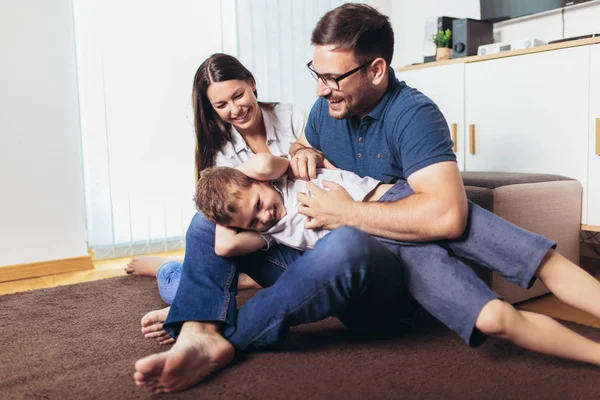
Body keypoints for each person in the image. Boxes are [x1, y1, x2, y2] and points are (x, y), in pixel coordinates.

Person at [134, 4, 600, 394]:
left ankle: (217, 324)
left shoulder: (410, 114)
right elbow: (301, 156)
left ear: (375, 69)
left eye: (332, 77)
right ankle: (197, 327)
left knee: (347, 244)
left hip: (375, 257)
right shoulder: (321, 112)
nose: (320, 88)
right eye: (316, 74)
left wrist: (345, 210)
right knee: (203, 229)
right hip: (315, 255)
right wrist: (298, 151)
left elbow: (450, 216)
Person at [125, 52, 314, 346]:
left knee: (192, 290)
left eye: (238, 95)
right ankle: (171, 275)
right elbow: (225, 240)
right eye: (221, 105)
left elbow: (317, 166)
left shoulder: (289, 116)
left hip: (304, 234)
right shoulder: (218, 151)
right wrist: (268, 229)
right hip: (256, 237)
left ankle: (188, 299)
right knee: (201, 235)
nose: (235, 109)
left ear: (251, 83)